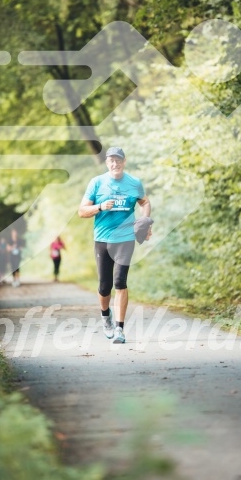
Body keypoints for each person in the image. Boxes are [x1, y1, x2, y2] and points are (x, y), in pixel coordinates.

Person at [78, 147, 151, 344]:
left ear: (124, 161)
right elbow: (81, 211)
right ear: (107, 163)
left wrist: (144, 222)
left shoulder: (134, 183)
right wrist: (100, 207)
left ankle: (120, 329)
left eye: (118, 160)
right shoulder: (97, 183)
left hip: (125, 239)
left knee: (120, 282)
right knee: (104, 287)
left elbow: (145, 202)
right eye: (111, 160)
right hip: (102, 239)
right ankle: (105, 316)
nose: (115, 164)